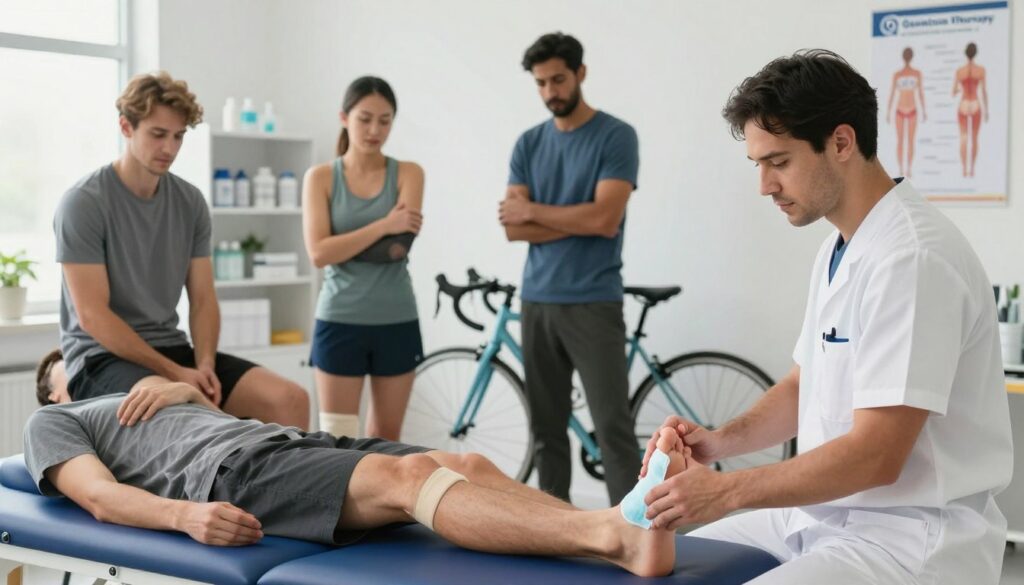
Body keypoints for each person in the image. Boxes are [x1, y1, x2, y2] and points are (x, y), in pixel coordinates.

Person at [638, 49, 1012, 584]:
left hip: (909, 543)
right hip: (823, 517)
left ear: (841, 142)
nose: (764, 185)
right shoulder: (841, 246)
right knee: (656, 563)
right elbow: (803, 384)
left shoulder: (912, 259)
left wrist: (729, 491)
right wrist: (718, 442)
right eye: (758, 164)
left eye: (779, 162)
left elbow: (876, 456)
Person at [23, 355, 691, 578]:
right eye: (69, 371)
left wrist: (173, 385)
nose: (86, 372)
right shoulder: (54, 421)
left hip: (279, 440)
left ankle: (611, 526)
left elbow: (205, 396)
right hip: (229, 474)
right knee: (408, 483)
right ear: (54, 389)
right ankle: (611, 536)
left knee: (461, 459)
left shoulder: (151, 392)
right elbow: (102, 498)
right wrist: (187, 516)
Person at [53, 72, 309, 428]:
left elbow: (203, 298)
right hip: (102, 357)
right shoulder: (84, 203)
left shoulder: (190, 202)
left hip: (173, 350)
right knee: (181, 411)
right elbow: (92, 315)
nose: (169, 149)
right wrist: (176, 374)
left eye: (178, 136)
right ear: (126, 127)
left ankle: (290, 485)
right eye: (158, 135)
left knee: (290, 400)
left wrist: (203, 365)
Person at [498, 32, 640, 504]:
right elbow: (513, 229)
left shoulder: (616, 135)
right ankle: (554, 535)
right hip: (537, 299)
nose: (549, 92)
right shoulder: (527, 144)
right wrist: (581, 218)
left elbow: (605, 219)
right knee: (546, 433)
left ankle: (634, 538)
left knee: (612, 431)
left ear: (580, 73)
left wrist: (538, 211)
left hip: (594, 302)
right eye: (540, 83)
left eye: (558, 79)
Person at [302, 77, 424, 442]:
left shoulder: (408, 173)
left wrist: (343, 244)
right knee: (337, 438)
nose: (375, 130)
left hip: (396, 318)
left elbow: (397, 249)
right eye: (365, 119)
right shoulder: (321, 177)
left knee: (386, 440)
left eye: (385, 121)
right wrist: (386, 223)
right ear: (344, 117)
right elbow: (319, 254)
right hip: (340, 319)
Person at [885, 47, 926, 178]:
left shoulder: (917, 73)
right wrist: (888, 110)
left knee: (909, 140)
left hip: (912, 109)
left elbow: (920, 93)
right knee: (902, 140)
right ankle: (902, 169)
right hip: (900, 110)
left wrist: (924, 109)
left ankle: (908, 168)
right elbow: (892, 93)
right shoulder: (898, 74)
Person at [952, 42, 988, 177]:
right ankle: (971, 169)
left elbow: (953, 91)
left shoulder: (960, 71)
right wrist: (987, 109)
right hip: (975, 103)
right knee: (974, 138)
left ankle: (963, 170)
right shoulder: (981, 70)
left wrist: (960, 88)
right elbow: (983, 91)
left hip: (963, 103)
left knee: (964, 138)